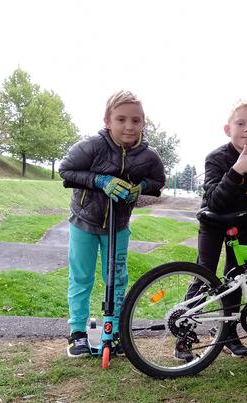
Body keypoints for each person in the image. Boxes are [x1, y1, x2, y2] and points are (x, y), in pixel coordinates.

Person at [59, 90, 166, 357]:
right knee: (81, 277)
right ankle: (78, 334)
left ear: (143, 122)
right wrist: (100, 181)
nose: (128, 126)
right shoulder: (92, 146)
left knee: (117, 279)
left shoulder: (148, 156)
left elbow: (158, 182)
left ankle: (113, 331)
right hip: (84, 221)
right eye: (121, 119)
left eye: (135, 120)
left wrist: (140, 187)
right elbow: (66, 171)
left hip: (118, 226)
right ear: (108, 121)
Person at [178, 100, 247, 360]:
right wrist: (236, 170)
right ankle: (184, 335)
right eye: (240, 124)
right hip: (213, 222)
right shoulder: (216, 158)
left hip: (241, 223)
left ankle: (228, 334)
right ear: (227, 129)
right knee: (204, 275)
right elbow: (215, 200)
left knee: (236, 278)